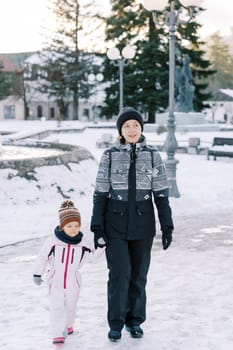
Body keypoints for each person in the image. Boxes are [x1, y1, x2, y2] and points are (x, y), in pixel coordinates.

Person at [90, 107, 174, 342]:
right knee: (120, 273)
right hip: (114, 223)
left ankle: (134, 321)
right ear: (120, 130)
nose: (131, 129)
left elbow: (161, 194)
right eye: (126, 126)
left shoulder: (153, 155)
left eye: (135, 125)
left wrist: (167, 225)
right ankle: (116, 323)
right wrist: (97, 227)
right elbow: (100, 192)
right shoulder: (109, 155)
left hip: (143, 223)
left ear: (141, 128)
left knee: (138, 275)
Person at [33, 199, 104, 345]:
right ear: (62, 225)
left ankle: (69, 325)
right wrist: (37, 273)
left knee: (71, 306)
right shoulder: (53, 241)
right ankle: (57, 333)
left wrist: (101, 247)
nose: (73, 229)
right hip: (55, 280)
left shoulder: (83, 242)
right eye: (69, 226)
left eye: (77, 226)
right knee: (57, 307)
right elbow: (42, 257)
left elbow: (92, 258)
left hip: (74, 281)